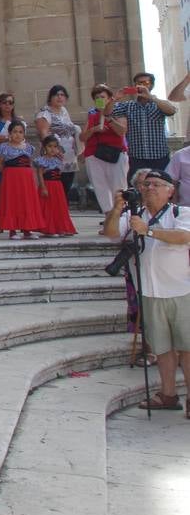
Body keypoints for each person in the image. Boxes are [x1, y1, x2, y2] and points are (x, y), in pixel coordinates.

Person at [100, 169, 190, 413]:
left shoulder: (181, 213)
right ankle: (168, 395)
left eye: (156, 184)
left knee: (187, 347)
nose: (150, 188)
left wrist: (148, 231)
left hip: (181, 290)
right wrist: (116, 209)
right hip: (149, 291)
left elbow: (183, 237)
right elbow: (110, 233)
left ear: (170, 190)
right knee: (161, 347)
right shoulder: (133, 215)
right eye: (146, 184)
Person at [112, 72, 177, 184]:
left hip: (159, 157)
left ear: (151, 85)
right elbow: (107, 112)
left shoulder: (159, 104)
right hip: (137, 158)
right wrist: (115, 98)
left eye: (145, 83)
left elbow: (171, 111)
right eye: (138, 83)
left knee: (161, 187)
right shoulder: (127, 106)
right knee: (137, 189)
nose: (141, 85)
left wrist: (151, 97)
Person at [0, 120, 46, 239]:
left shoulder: (28, 148)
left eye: (21, 132)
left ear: (24, 134)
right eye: (15, 132)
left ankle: (27, 229)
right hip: (11, 179)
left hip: (26, 180)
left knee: (26, 202)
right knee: (12, 202)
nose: (18, 134)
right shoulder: (4, 148)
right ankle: (13, 231)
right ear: (10, 133)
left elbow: (30, 163)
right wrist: (9, 173)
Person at [79, 83, 128, 214]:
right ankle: (108, 219)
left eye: (102, 97)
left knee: (118, 187)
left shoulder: (118, 110)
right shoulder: (91, 114)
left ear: (109, 98)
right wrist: (94, 129)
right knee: (100, 187)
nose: (100, 100)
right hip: (94, 154)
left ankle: (121, 218)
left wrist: (109, 120)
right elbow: (82, 137)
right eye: (97, 98)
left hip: (115, 153)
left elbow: (122, 131)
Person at [34, 84, 79, 196]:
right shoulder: (44, 113)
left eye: (62, 95)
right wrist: (55, 151)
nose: (59, 97)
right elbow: (44, 135)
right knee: (56, 189)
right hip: (54, 157)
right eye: (56, 95)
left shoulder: (64, 111)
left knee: (66, 188)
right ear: (50, 97)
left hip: (69, 157)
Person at [36, 135, 77, 237]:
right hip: (48, 184)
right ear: (44, 147)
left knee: (59, 207)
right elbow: (40, 174)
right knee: (48, 207)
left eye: (55, 147)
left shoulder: (58, 160)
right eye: (50, 146)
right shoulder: (41, 160)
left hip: (57, 186)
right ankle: (49, 229)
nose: (52, 149)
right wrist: (43, 187)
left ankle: (61, 227)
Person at [0, 92, 20, 187]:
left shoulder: (17, 120)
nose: (7, 105)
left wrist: (1, 138)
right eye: (4, 102)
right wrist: (10, 138)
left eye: (10, 102)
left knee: (14, 186)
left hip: (13, 155)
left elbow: (20, 139)